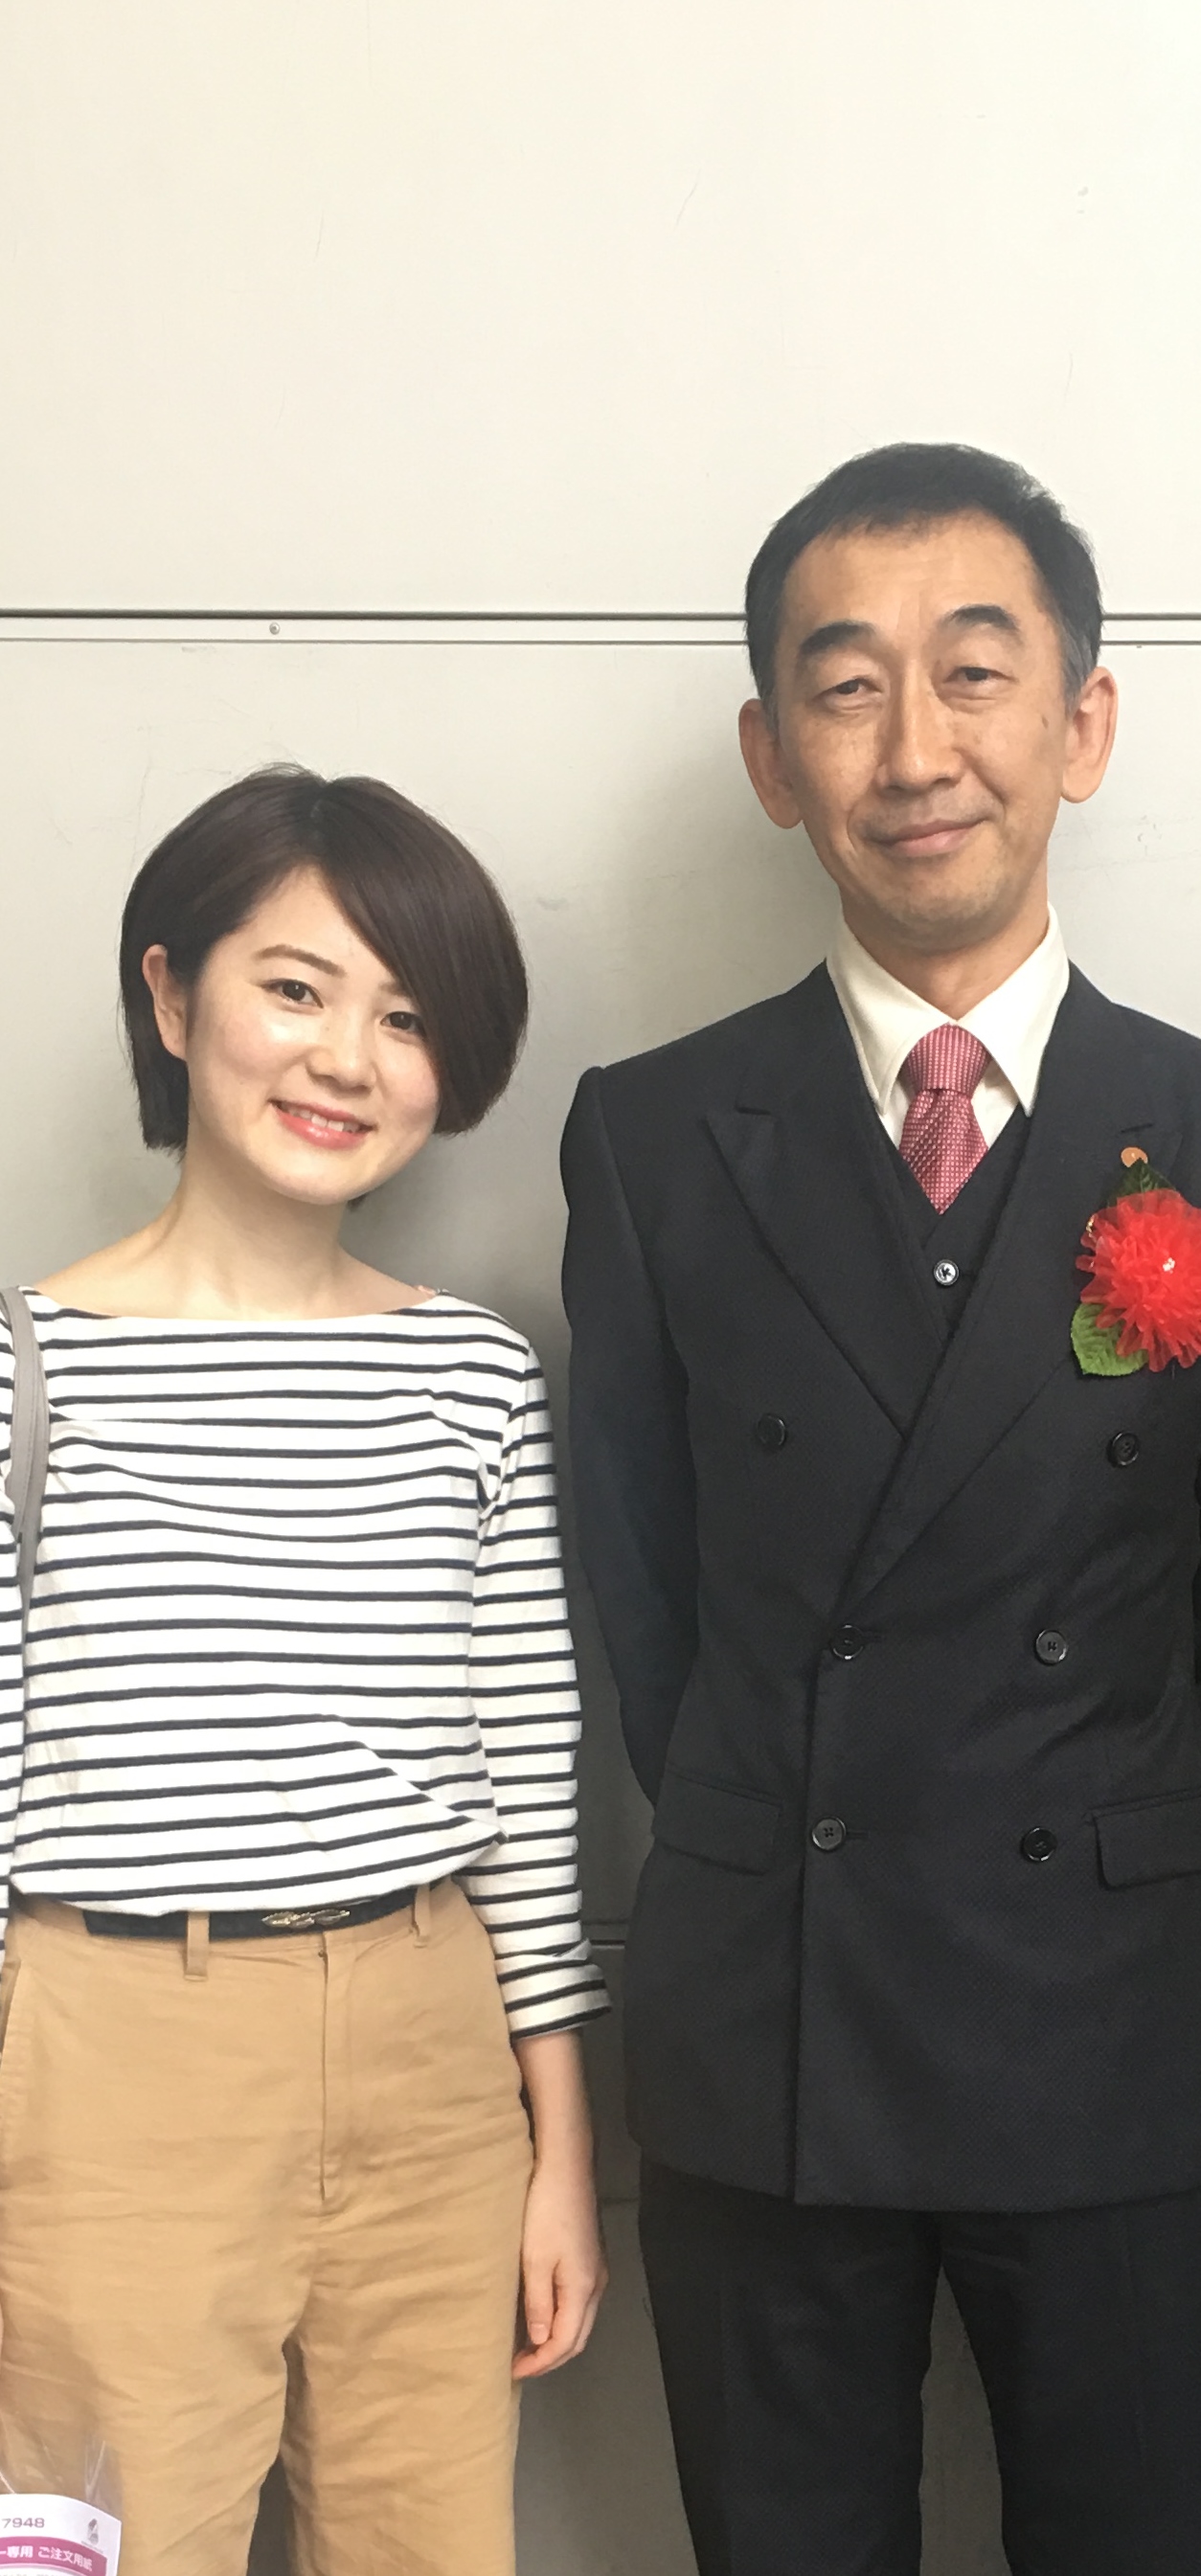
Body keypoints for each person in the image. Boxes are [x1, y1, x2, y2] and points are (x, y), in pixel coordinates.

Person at [561, 441, 1201, 2576]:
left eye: (974, 673)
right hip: (770, 2019)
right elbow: (643, 1581)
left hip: (1103, 2007)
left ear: (1080, 724)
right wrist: (770, 1831)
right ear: (770, 755)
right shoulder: (652, 1136)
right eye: (845, 686)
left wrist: (1117, 1847)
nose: (915, 748)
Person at [0, 768, 607, 2576]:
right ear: (173, 995)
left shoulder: (474, 1375)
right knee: (103, 2547)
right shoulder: (32, 1370)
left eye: (408, 1017)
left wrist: (559, 2151)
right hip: (115, 2048)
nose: (349, 1057)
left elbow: (527, 1784)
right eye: (296, 988)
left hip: (431, 2046)